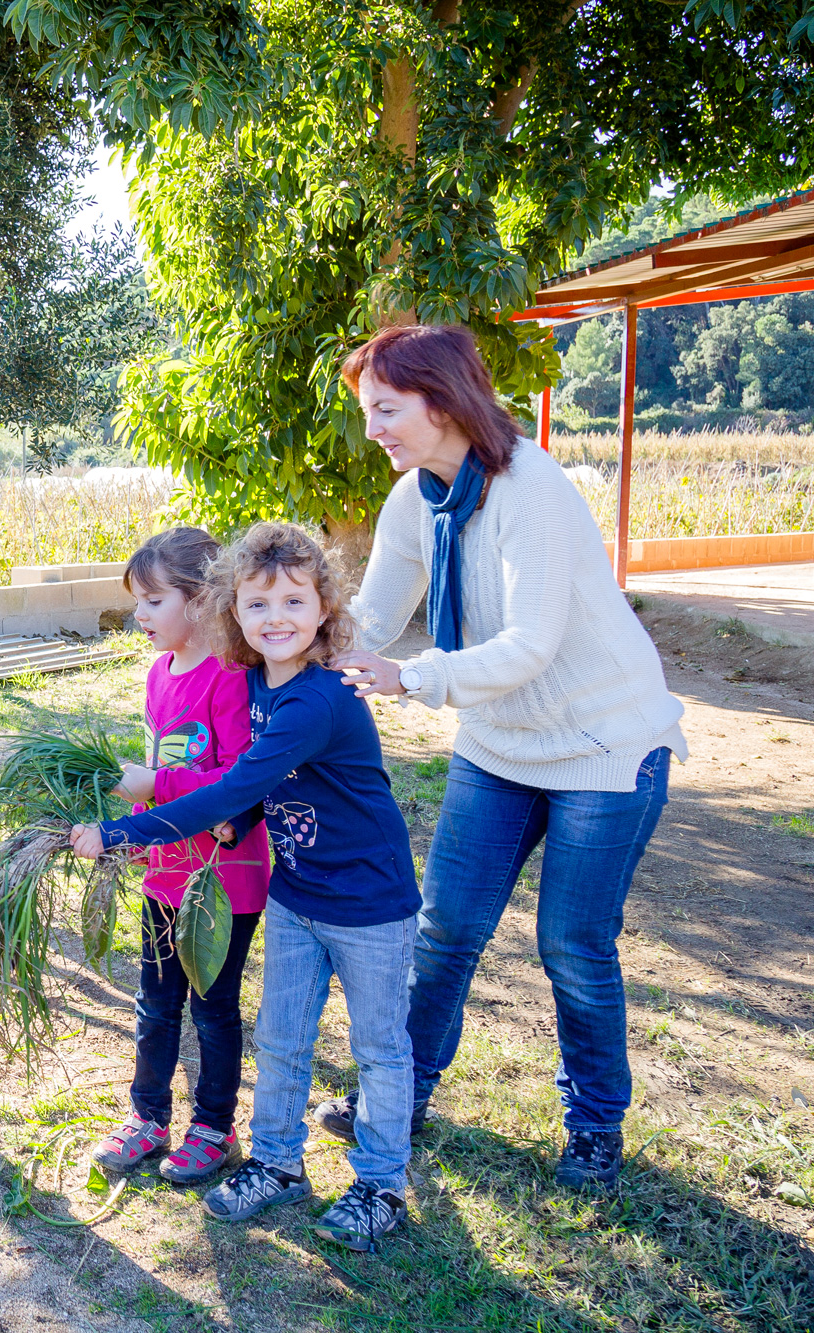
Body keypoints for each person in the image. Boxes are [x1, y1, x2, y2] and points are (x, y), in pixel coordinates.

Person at [324, 323, 685, 1192]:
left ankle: (595, 1123)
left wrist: (412, 677)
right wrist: (282, 652)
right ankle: (399, 1094)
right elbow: (369, 621)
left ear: (442, 401)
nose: (373, 427)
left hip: (604, 744)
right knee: (444, 928)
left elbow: (529, 644)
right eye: (367, 409)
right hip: (498, 745)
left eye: (385, 408)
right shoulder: (413, 499)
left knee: (572, 944)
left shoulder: (533, 488)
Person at [71, 523, 420, 1253]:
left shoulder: (313, 701)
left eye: (295, 600)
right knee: (281, 1035)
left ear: (324, 607)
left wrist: (120, 831)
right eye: (258, 605)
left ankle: (381, 1181)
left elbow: (234, 786)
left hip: (368, 903)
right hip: (297, 892)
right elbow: (259, 787)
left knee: (381, 1048)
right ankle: (275, 1161)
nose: (276, 619)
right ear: (232, 610)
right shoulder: (259, 680)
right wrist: (243, 815)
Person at [88, 528, 270, 1186]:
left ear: (199, 601)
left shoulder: (229, 677)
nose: (140, 613)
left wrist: (153, 789)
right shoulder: (159, 673)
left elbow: (235, 780)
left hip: (225, 878)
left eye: (153, 599)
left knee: (213, 1005)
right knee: (155, 1000)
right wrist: (135, 831)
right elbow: (161, 761)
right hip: (167, 870)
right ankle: (147, 1117)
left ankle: (213, 1129)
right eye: (137, 600)